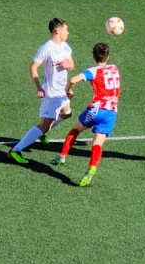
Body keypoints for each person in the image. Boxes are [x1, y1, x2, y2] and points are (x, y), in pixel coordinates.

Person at [51, 42, 121, 187]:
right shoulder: (114, 68)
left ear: (93, 56)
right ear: (108, 56)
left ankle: (62, 156)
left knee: (75, 129)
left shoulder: (93, 71)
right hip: (111, 112)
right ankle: (91, 168)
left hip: (96, 109)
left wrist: (69, 90)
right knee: (97, 144)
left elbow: (72, 79)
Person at [9, 17, 74, 164]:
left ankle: (42, 132)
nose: (68, 33)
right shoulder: (46, 49)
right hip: (51, 92)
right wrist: (38, 87)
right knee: (45, 125)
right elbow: (33, 67)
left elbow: (71, 64)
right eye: (66, 30)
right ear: (57, 31)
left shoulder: (65, 46)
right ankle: (15, 151)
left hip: (61, 91)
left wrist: (67, 65)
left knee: (67, 113)